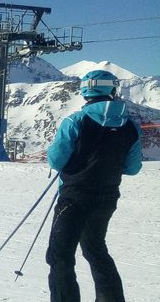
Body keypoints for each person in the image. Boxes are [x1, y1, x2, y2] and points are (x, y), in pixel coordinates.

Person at [45, 69, 143, 302]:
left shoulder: (75, 121)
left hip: (74, 197)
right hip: (107, 198)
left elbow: (56, 160)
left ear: (85, 91)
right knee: (95, 249)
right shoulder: (130, 126)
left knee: (60, 255)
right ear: (112, 89)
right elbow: (132, 168)